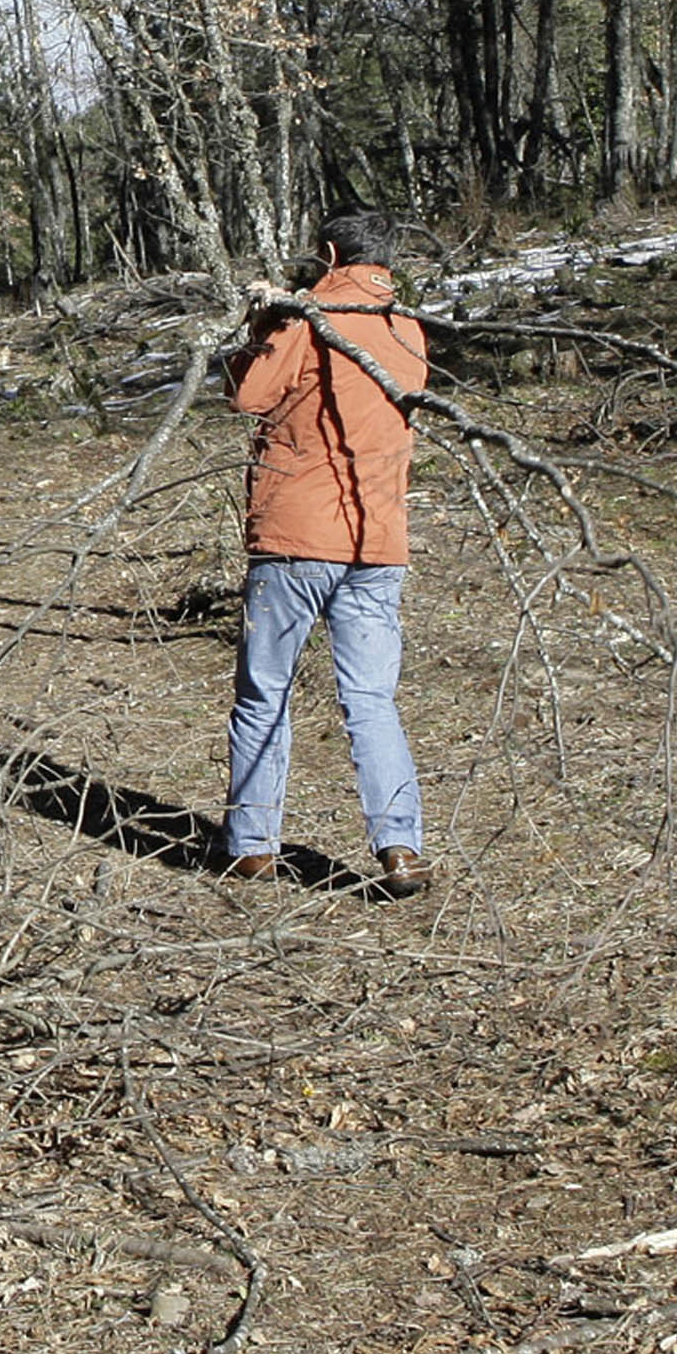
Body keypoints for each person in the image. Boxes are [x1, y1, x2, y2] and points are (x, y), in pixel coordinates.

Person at [217, 211, 432, 897]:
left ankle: (251, 846)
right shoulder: (407, 329)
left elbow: (245, 396)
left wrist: (262, 325)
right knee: (371, 701)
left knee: (263, 696)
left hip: (294, 537)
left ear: (330, 253)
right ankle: (400, 848)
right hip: (377, 540)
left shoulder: (306, 316)